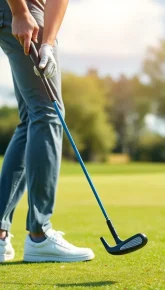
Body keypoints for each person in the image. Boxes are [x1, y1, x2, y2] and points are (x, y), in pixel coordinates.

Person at [0, 0, 95, 262]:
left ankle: (0, 235)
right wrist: (20, 11)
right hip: (20, 9)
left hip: (25, 11)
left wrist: (48, 43)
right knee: (48, 114)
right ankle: (39, 235)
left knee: (31, 119)